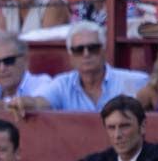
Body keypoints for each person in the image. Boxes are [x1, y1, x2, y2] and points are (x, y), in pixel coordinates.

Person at [9, 22, 148, 113]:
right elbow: (40, 102)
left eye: (92, 48)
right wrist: (25, 102)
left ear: (103, 51)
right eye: (79, 50)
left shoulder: (135, 81)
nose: (86, 54)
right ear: (71, 56)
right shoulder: (62, 84)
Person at [0, 30, 52, 105]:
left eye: (8, 61)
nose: (2, 68)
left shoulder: (41, 84)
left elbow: (18, 107)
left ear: (25, 60)